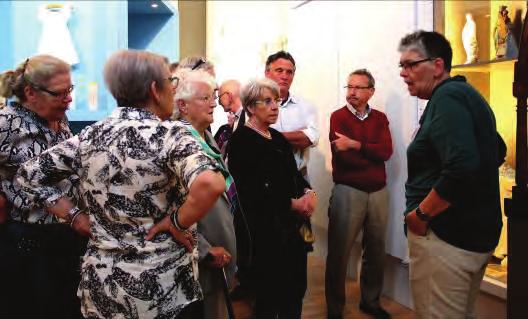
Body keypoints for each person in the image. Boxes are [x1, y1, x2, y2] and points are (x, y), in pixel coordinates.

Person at [15, 49, 226, 319]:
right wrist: (177, 221)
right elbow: (211, 183)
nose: (173, 90)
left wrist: (74, 215)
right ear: (154, 89)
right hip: (164, 290)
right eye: (171, 82)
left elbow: (28, 175)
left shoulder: (90, 135)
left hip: (104, 290)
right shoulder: (170, 135)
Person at [399, 30, 505, 318]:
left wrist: (421, 215)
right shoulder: (467, 95)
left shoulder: (447, 99)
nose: (403, 73)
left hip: (446, 239)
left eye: (411, 65)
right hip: (470, 236)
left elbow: (462, 166)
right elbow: (497, 149)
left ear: (437, 65)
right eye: (402, 66)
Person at [0, 54, 87, 319]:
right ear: (30, 92)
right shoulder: (6, 123)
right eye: (59, 93)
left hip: (68, 243)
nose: (68, 99)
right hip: (29, 246)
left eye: (69, 90)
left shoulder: (59, 119)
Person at [227, 78, 317, 318]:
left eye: (276, 100)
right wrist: (291, 203)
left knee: (295, 291)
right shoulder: (241, 141)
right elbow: (250, 192)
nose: (275, 106)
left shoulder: (277, 138)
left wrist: (309, 193)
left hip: (292, 230)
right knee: (268, 297)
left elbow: (294, 176)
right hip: (264, 233)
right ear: (250, 107)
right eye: (267, 101)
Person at [326, 69, 393, 319]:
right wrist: (371, 154)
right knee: (339, 253)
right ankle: (335, 309)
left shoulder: (380, 119)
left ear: (371, 92)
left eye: (358, 88)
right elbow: (344, 160)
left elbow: (386, 151)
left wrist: (356, 145)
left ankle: (370, 301)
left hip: (378, 192)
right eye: (349, 87)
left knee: (376, 250)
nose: (351, 92)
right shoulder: (338, 117)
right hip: (348, 190)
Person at [174, 69, 237, 319]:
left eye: (213, 96)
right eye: (204, 98)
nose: (213, 103)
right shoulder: (177, 142)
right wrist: (205, 249)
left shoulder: (207, 137)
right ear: (183, 105)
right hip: (200, 259)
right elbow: (172, 208)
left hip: (220, 253)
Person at [264, 51, 319, 180]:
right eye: (279, 70)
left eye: (289, 72)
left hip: (299, 178)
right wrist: (296, 136)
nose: (285, 76)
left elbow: (312, 138)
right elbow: (254, 143)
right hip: (267, 179)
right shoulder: (255, 105)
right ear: (267, 73)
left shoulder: (305, 106)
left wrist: (271, 137)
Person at [214, 79, 245, 154]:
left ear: (229, 96)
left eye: (220, 97)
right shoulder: (238, 118)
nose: (218, 103)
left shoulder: (248, 119)